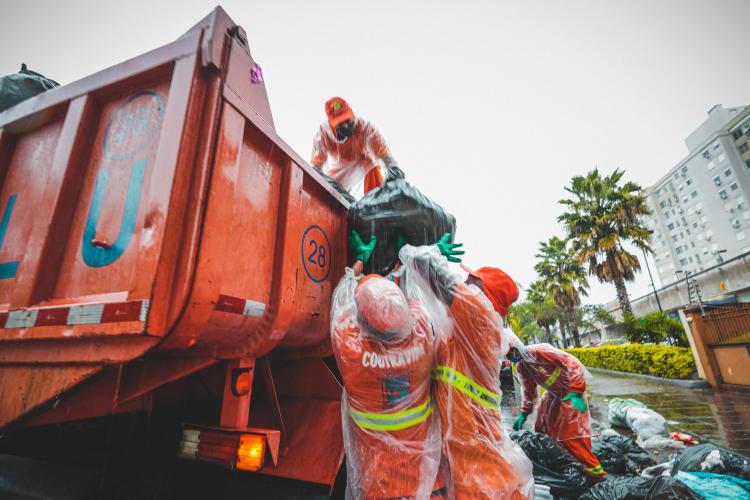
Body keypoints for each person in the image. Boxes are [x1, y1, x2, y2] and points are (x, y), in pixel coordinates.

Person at [399, 242, 534, 499]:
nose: (465, 280)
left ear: (483, 294)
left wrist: (433, 250)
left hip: (487, 480)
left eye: (472, 279)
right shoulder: (463, 331)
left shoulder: (481, 317)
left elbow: (424, 264)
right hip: (475, 471)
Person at [330, 231, 441, 499]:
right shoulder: (423, 339)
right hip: (422, 483)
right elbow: (414, 299)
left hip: (377, 487)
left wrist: (359, 261)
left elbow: (341, 301)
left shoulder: (351, 352)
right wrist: (407, 264)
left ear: (361, 321)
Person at [509, 339, 607, 478]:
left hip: (571, 392)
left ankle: (597, 472)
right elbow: (529, 390)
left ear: (516, 347)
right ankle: (565, 461)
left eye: (510, 352)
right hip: (554, 393)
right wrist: (524, 412)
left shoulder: (539, 351)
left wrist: (576, 390)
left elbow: (570, 362)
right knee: (542, 427)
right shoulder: (522, 366)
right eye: (507, 355)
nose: (510, 357)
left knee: (570, 435)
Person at [311, 97, 396, 194]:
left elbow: (383, 152)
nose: (346, 125)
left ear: (352, 114)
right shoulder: (324, 134)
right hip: (339, 170)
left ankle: (377, 199)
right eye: (340, 123)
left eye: (347, 120)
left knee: (371, 162)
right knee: (331, 193)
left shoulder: (365, 128)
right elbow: (316, 165)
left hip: (363, 161)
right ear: (332, 124)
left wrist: (393, 169)